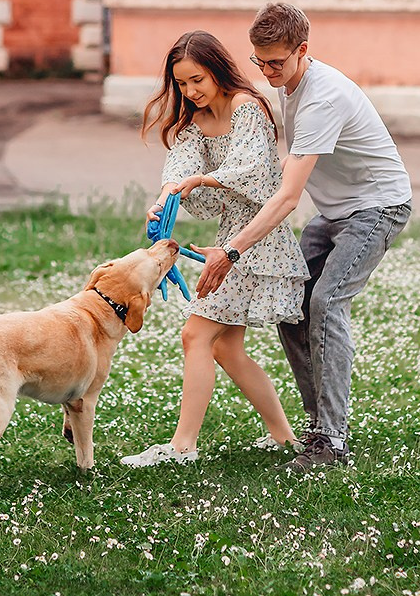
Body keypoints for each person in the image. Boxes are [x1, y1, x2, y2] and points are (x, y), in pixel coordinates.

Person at [194, 2, 413, 473]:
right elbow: (279, 167)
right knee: (294, 302)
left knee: (326, 303)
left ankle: (332, 442)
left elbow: (289, 196)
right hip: (335, 212)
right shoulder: (287, 84)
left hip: (378, 207)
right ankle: (320, 426)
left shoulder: (321, 98)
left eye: (276, 62)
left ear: (302, 50)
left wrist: (231, 251)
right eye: (259, 61)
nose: (267, 71)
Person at [120, 30, 309, 468]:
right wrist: (164, 200)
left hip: (257, 238)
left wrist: (202, 180)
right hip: (233, 234)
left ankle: (182, 447)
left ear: (217, 70)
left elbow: (251, 168)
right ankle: (283, 438)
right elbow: (180, 167)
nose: (190, 91)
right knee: (226, 349)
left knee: (196, 335)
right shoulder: (196, 123)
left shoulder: (247, 107)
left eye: (197, 80)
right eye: (181, 83)